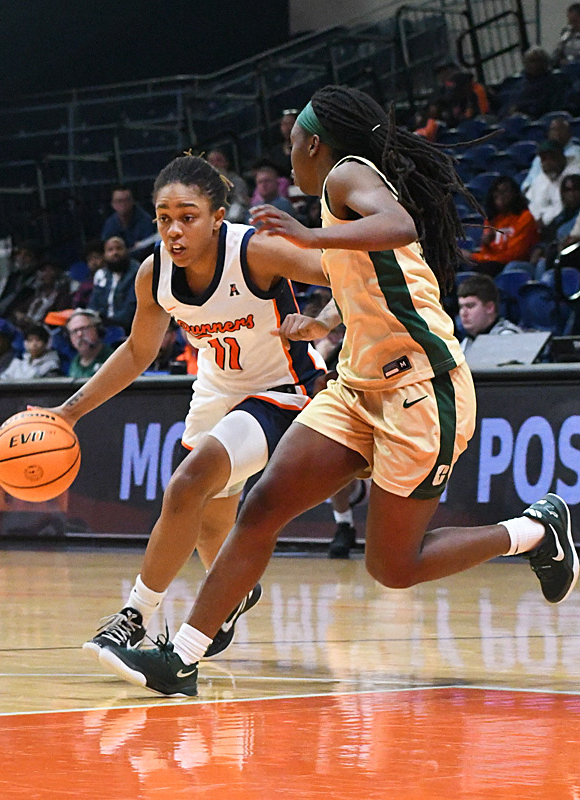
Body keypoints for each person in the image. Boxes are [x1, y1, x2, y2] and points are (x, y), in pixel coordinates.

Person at [94, 85, 578, 697]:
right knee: (263, 505)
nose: (287, 152)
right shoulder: (336, 197)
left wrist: (307, 235)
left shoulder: (347, 174)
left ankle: (535, 530)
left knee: (392, 567)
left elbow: (399, 227)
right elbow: (364, 279)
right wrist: (324, 321)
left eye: (292, 141)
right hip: (355, 385)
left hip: (421, 387)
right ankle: (182, 658)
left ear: (314, 145)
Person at [44, 154, 327, 670]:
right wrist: (69, 412)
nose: (174, 230)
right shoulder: (154, 273)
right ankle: (233, 592)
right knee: (209, 521)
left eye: (188, 216)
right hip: (217, 387)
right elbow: (137, 351)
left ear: (217, 217)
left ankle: (134, 616)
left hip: (286, 388)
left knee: (187, 483)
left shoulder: (255, 251)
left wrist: (325, 320)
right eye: (163, 217)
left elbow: (354, 274)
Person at [466, 176, 539, 275]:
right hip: (491, 263)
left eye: (504, 191)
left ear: (514, 194)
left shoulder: (525, 217)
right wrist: (485, 244)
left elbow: (516, 255)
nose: (499, 195)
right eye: (496, 191)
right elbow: (486, 253)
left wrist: (473, 257)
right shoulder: (491, 219)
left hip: (513, 265)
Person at [457, 274, 522, 354]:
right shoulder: (465, 344)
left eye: (470, 306)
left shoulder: (509, 339)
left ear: (489, 307)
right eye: (461, 307)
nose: (463, 313)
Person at [525, 140, 580, 233]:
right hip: (541, 227)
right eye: (543, 159)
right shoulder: (540, 179)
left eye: (551, 157)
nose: (547, 163)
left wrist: (544, 219)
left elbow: (564, 205)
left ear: (561, 156)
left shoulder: (574, 171)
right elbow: (532, 204)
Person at [89, 236, 140, 334]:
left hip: (128, 328)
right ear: (104, 255)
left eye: (119, 248)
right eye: (110, 250)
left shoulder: (138, 272)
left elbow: (131, 309)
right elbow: (93, 304)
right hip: (103, 327)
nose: (115, 253)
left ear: (126, 251)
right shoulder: (102, 274)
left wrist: (106, 322)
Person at [522, 117, 580, 193]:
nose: (557, 133)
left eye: (561, 129)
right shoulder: (539, 157)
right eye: (553, 130)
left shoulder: (577, 152)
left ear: (570, 133)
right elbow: (528, 183)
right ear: (548, 134)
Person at [506, 47, 565, 119]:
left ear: (544, 62)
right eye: (528, 61)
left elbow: (544, 106)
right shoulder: (520, 83)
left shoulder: (553, 82)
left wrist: (520, 109)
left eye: (535, 61)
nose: (530, 64)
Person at [101, 185, 156, 256]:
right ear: (113, 204)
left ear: (133, 201)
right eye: (119, 201)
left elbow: (148, 248)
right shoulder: (110, 223)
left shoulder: (146, 221)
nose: (123, 204)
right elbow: (106, 245)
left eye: (127, 200)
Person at [206, 148, 250, 223]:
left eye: (219, 160)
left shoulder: (237, 181)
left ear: (226, 163)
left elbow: (240, 204)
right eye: (211, 161)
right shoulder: (203, 184)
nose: (215, 164)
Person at [66, 309, 114, 378]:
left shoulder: (113, 358)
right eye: (74, 331)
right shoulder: (75, 363)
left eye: (84, 328)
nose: (79, 334)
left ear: (98, 330)